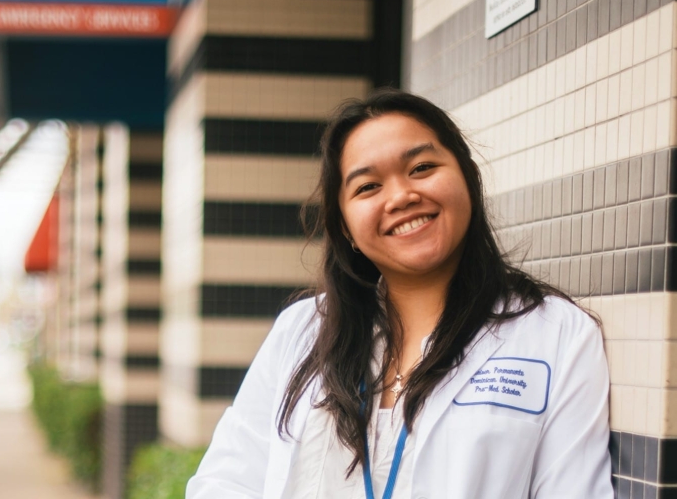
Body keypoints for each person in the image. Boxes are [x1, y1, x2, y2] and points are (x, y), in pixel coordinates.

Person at [187, 89, 612, 498]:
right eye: (368, 187)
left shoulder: (557, 335)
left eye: (422, 168)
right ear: (346, 228)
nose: (402, 196)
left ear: (467, 178)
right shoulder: (301, 332)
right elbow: (227, 482)